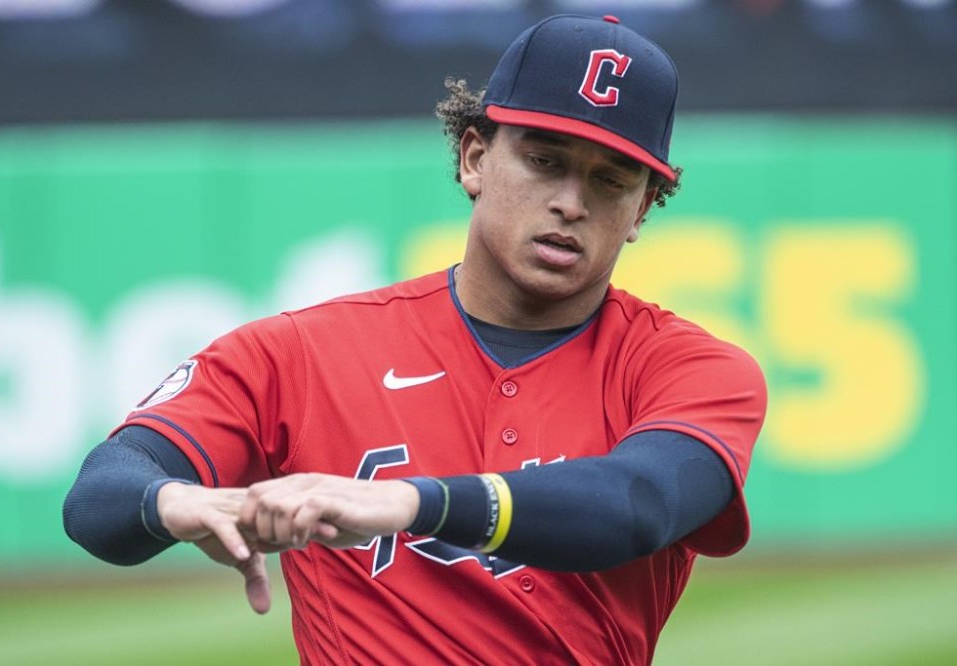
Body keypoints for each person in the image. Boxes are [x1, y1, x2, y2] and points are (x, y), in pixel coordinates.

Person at [64, 14, 766, 665]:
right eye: (545, 161)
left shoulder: (694, 370)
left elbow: (638, 505)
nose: (571, 203)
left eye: (610, 180)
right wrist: (173, 503)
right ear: (473, 159)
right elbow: (100, 499)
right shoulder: (303, 353)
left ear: (642, 209)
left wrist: (412, 503)